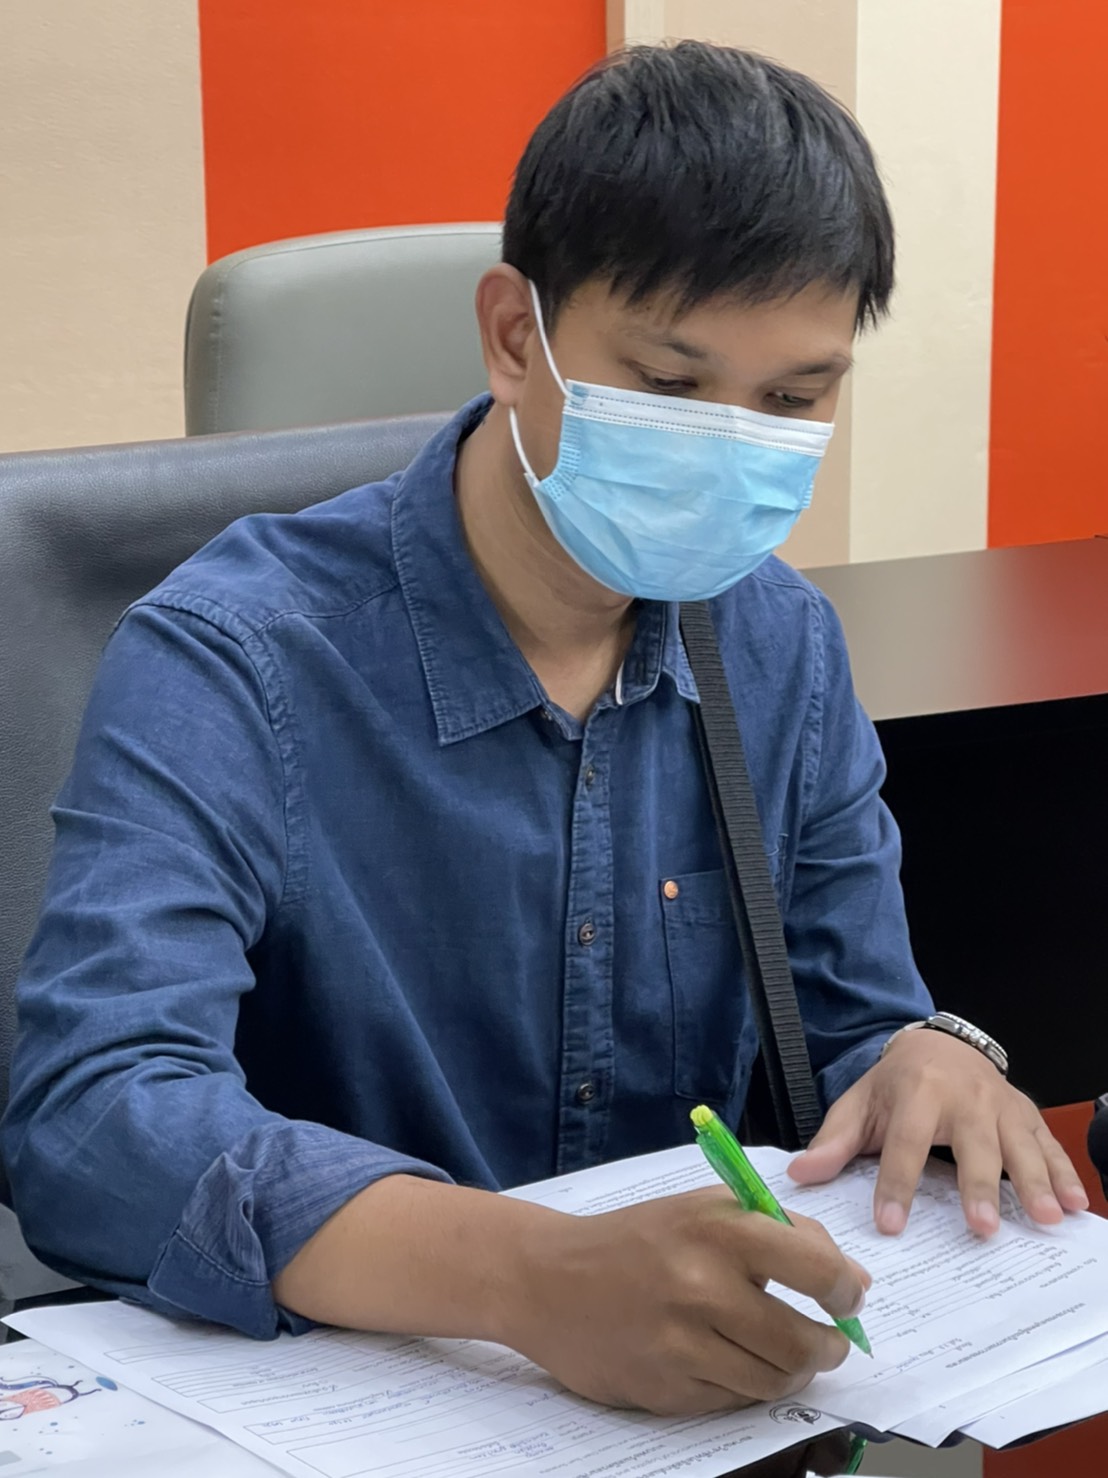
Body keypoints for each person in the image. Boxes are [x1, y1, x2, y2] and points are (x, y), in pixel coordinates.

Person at [1, 42, 1087, 1419]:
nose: (732, 444)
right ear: (517, 336)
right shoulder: (231, 655)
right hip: (345, 1401)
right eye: (673, 387)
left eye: (794, 399)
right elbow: (96, 1114)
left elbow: (849, 1029)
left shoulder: (781, 645)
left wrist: (925, 1057)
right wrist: (528, 1278)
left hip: (697, 1411)